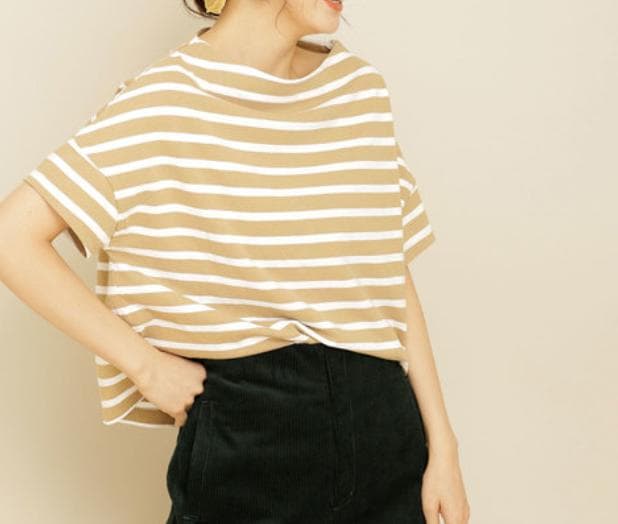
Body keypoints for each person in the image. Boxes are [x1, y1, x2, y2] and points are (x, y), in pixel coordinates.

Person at [0, 0, 470, 522]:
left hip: (384, 426)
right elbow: (11, 238)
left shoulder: (358, 89)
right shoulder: (164, 103)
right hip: (246, 432)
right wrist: (144, 365)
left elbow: (387, 270)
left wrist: (443, 446)